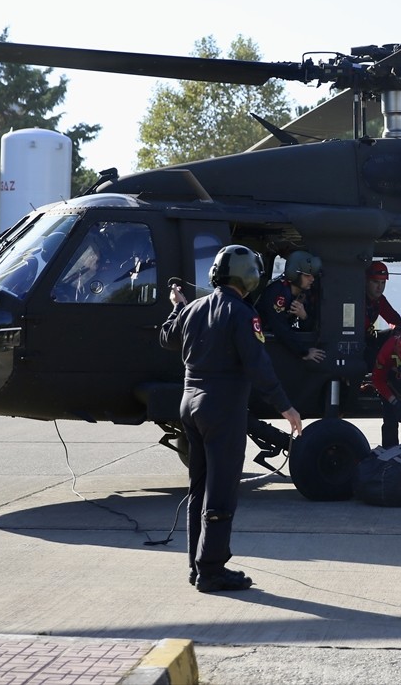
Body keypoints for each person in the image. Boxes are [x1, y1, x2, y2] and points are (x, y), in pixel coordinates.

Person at [159, 244, 303, 593]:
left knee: (198, 489)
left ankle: (197, 565)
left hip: (189, 405)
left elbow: (167, 338)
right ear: (248, 276)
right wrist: (286, 407)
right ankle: (212, 570)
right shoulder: (242, 314)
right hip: (221, 409)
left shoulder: (193, 308)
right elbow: (258, 365)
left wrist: (176, 309)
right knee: (221, 491)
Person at [257, 250, 327, 364]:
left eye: (312, 275)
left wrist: (304, 316)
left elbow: (309, 327)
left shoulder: (304, 294)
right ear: (294, 274)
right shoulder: (278, 293)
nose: (312, 279)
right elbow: (280, 328)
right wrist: (303, 352)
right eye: (307, 275)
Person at [363, 261, 401, 369]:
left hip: (369, 341)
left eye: (383, 283)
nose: (379, 287)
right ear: (366, 281)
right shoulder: (356, 300)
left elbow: (395, 319)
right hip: (357, 343)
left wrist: (396, 331)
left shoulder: (379, 300)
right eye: (375, 282)